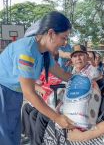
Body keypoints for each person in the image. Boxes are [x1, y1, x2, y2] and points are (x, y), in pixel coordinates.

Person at [0, 11, 75, 145]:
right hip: (3, 95)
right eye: (64, 37)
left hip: (14, 95)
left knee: (12, 136)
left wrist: (85, 80)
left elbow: (64, 75)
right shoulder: (26, 51)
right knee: (5, 138)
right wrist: (57, 118)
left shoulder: (44, 53)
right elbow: (29, 93)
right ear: (51, 33)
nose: (65, 43)